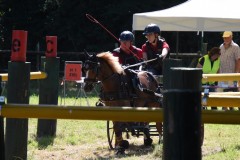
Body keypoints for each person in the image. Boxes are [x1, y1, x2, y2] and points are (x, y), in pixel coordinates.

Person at [219, 31, 240, 110]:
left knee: (232, 92)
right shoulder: (221, 46)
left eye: (227, 37)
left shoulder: (236, 47)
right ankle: (224, 108)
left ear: (231, 37)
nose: (225, 39)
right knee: (223, 92)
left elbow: (238, 60)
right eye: (224, 37)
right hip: (222, 74)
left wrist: (237, 73)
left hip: (231, 74)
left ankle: (231, 108)